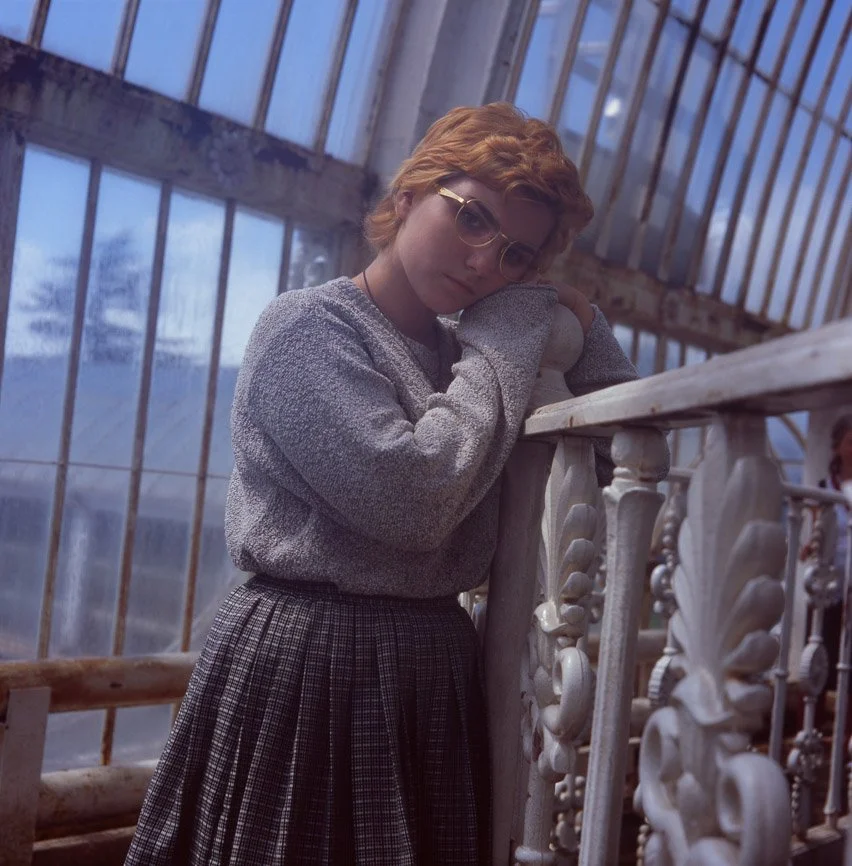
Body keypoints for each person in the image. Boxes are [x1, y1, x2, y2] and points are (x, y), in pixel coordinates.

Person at [125, 102, 641, 866]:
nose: (483, 263)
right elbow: (409, 499)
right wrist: (507, 333)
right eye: (471, 219)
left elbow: (617, 442)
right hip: (311, 659)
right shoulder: (307, 329)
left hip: (431, 669)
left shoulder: (464, 364)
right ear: (410, 194)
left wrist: (579, 319)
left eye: (515, 259)